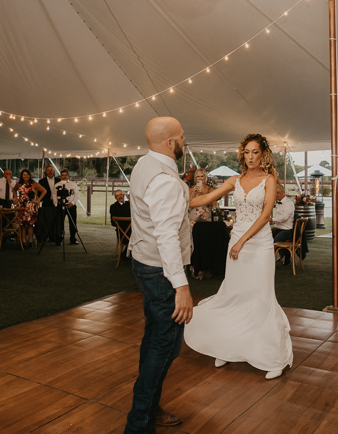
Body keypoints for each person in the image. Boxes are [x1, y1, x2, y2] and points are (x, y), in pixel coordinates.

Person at [184, 133, 293, 381]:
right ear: (242, 155)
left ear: (263, 154)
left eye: (255, 152)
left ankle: (273, 357)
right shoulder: (235, 180)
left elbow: (265, 216)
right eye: (247, 152)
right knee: (233, 294)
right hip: (237, 243)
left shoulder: (270, 180)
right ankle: (228, 347)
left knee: (260, 297)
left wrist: (242, 241)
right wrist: (180, 200)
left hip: (258, 244)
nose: (251, 157)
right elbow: (205, 198)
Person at [124, 117, 192, 433]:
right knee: (166, 346)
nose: (183, 140)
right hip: (161, 273)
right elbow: (166, 235)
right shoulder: (164, 179)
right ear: (170, 143)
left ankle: (150, 410)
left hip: (142, 264)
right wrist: (181, 287)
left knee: (154, 338)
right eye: (181, 137)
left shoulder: (143, 165)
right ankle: (139, 424)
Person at [13, 169, 45, 248]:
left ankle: (30, 241)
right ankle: (23, 241)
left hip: (31, 206)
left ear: (29, 175)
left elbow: (44, 191)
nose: (26, 176)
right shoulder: (19, 184)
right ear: (22, 176)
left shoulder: (34, 184)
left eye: (27, 174)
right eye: (24, 175)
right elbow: (14, 190)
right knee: (23, 225)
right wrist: (16, 198)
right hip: (21, 206)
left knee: (30, 225)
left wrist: (38, 200)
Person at [270, 184, 296, 265]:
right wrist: (275, 226)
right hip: (279, 228)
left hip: (287, 230)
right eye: (275, 193)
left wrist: (271, 219)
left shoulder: (289, 204)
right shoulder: (278, 203)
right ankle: (283, 255)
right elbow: (279, 217)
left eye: (277, 193)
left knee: (275, 241)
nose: (276, 194)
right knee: (266, 237)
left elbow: (284, 218)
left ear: (283, 193)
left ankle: (282, 256)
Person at [36, 165, 61, 245]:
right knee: (46, 220)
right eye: (48, 170)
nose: (50, 171)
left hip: (56, 203)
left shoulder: (58, 180)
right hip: (46, 203)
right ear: (46, 171)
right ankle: (45, 236)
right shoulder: (41, 181)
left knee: (56, 220)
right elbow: (39, 193)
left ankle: (56, 237)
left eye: (51, 170)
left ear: (54, 171)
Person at [55, 170, 79, 245]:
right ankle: (59, 238)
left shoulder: (73, 184)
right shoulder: (57, 185)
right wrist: (56, 204)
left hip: (70, 205)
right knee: (60, 223)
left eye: (65, 175)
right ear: (60, 176)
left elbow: (77, 195)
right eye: (62, 175)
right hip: (60, 206)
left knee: (72, 222)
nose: (64, 176)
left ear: (68, 175)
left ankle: (73, 238)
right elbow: (53, 195)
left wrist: (72, 203)